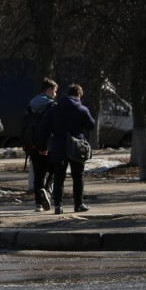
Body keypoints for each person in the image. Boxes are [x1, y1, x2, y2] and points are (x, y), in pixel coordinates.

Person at [39, 83, 96, 214]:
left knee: (59, 177)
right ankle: (78, 204)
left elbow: (43, 129)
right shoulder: (82, 109)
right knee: (78, 176)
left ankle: (58, 206)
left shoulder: (53, 110)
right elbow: (91, 125)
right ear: (79, 95)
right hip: (77, 147)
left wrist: (42, 147)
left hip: (59, 147)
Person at [22, 79, 57, 211]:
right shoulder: (52, 106)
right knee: (55, 171)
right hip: (49, 145)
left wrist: (26, 144)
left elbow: (23, 125)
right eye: (54, 91)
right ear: (48, 90)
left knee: (38, 175)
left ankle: (38, 204)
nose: (55, 94)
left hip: (32, 144)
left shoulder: (30, 105)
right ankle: (47, 192)